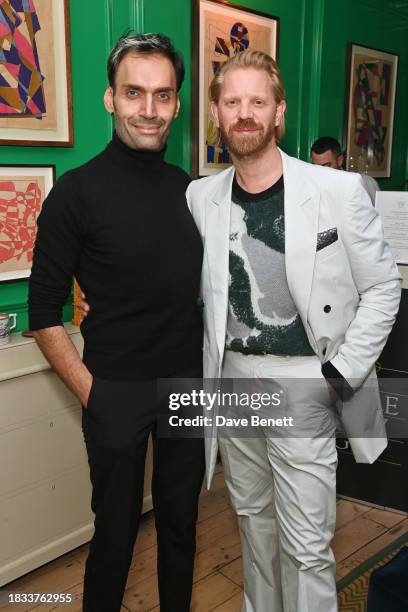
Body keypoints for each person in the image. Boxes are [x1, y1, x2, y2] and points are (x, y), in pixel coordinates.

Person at [186, 51, 401, 612]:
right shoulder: (200, 197)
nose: (245, 113)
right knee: (254, 528)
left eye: (258, 101)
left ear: (279, 112)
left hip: (307, 378)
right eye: (232, 102)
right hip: (234, 379)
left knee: (306, 545)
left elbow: (382, 290)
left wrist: (339, 374)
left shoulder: (337, 190)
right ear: (215, 112)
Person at [28, 33, 205, 612]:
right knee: (115, 535)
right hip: (115, 391)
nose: (148, 110)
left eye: (162, 95)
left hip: (188, 388)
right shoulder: (76, 194)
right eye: (134, 93)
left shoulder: (192, 192)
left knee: (181, 526)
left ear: (177, 104)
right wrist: (92, 393)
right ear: (110, 99)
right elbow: (42, 310)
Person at [311, 136, 380, 204]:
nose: (320, 171)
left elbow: (379, 212)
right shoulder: (310, 187)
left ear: (340, 160)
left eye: (326, 166)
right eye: (316, 167)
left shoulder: (366, 183)